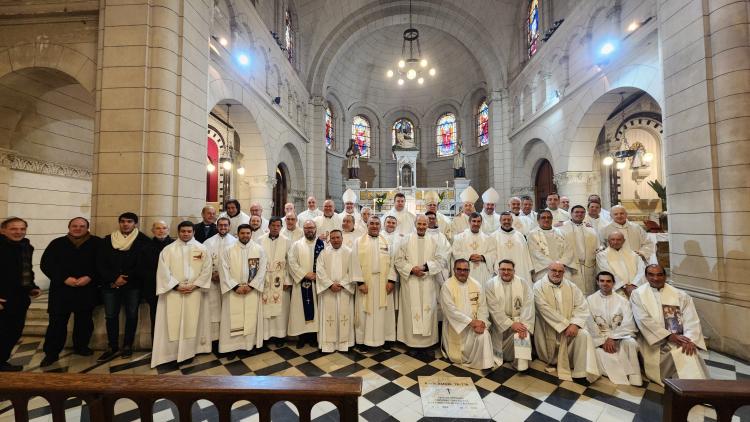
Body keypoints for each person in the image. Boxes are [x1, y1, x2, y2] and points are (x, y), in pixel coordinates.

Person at [631, 264, 709, 386]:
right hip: (653, 343)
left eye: (659, 274)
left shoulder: (680, 295)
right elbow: (643, 320)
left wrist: (690, 339)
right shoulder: (638, 295)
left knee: (688, 351)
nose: (655, 278)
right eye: (651, 275)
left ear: (665, 276)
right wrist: (668, 336)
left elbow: (691, 319)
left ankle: (695, 389)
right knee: (681, 356)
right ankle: (690, 388)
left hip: (680, 339)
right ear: (646, 276)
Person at [151, 221, 212, 367]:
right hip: (174, 293)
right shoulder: (168, 249)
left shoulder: (202, 249)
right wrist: (176, 286)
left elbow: (207, 269)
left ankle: (189, 352)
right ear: (178, 232)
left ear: (193, 232)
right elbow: (163, 271)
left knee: (192, 321)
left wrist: (195, 285)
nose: (186, 234)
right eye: (183, 231)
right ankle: (171, 353)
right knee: (172, 322)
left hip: (194, 292)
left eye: (189, 231)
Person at [40, 217, 100, 366]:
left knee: (84, 321)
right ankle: (51, 353)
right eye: (75, 226)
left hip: (86, 289)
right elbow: (46, 264)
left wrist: (90, 277)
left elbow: (103, 264)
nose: (78, 228)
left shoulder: (97, 243)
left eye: (82, 226)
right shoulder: (57, 243)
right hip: (61, 290)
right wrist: (64, 278)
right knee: (57, 323)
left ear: (87, 228)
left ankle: (81, 347)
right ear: (69, 227)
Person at [394, 215, 450, 358]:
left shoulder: (434, 240)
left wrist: (425, 268)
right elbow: (398, 260)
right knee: (410, 312)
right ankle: (411, 344)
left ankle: (427, 345)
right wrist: (412, 269)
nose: (421, 226)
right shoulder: (405, 240)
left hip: (427, 282)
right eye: (419, 223)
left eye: (424, 224)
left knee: (428, 311)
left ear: (428, 224)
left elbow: (441, 259)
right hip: (411, 281)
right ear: (415, 223)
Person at [533, 262, 599, 382]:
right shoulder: (538, 287)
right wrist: (565, 325)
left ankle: (581, 373)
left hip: (570, 330)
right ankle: (554, 360)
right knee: (551, 352)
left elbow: (581, 306)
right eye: (554, 270)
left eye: (560, 271)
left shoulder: (571, 286)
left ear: (564, 273)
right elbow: (544, 309)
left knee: (584, 335)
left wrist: (575, 324)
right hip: (548, 330)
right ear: (548, 270)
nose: (557, 274)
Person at [97, 212, 150, 361]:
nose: (125, 224)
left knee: (131, 315)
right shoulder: (108, 240)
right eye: (123, 221)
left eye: (129, 222)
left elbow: (142, 264)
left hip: (132, 285)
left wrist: (124, 278)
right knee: (111, 316)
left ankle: (127, 345)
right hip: (111, 284)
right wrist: (113, 278)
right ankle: (112, 346)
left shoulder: (143, 240)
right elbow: (100, 262)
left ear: (135, 224)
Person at [586, 271, 642, 386]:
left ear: (613, 283)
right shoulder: (590, 300)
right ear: (597, 282)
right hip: (599, 337)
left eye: (608, 281)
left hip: (619, 335)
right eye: (602, 281)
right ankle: (619, 373)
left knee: (631, 343)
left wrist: (613, 337)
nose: (605, 284)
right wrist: (602, 341)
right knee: (597, 350)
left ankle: (634, 377)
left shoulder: (623, 301)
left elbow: (628, 323)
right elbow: (589, 323)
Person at [218, 224, 267, 355]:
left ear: (251, 234)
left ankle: (248, 345)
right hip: (234, 291)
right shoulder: (228, 250)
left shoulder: (259, 249)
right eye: (243, 233)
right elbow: (223, 270)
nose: (245, 235)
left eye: (248, 233)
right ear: (237, 234)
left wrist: (251, 286)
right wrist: (234, 287)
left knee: (251, 318)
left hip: (252, 290)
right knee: (232, 318)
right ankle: (231, 348)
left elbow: (262, 270)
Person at [0, 218, 41, 371]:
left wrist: (31, 287)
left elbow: (25, 271)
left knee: (14, 332)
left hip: (19, 298)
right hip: (2, 298)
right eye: (13, 229)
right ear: (3, 230)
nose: (18, 232)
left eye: (22, 229)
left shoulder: (26, 246)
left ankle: (2, 362)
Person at [351, 216, 397, 353]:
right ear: (367, 225)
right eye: (372, 223)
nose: (374, 226)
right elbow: (354, 262)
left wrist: (391, 280)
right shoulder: (358, 242)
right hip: (366, 283)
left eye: (377, 224)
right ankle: (363, 342)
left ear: (380, 226)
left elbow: (394, 262)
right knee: (365, 312)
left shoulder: (387, 242)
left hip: (383, 283)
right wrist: (360, 282)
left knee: (384, 313)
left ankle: (386, 339)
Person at [440, 259, 494, 369]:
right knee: (456, 353)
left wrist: (482, 323)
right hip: (455, 328)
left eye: (465, 270)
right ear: (454, 270)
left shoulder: (476, 285)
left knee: (485, 334)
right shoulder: (447, 286)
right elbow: (450, 311)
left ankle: (486, 365)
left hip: (474, 327)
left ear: (469, 271)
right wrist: (471, 322)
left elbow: (482, 307)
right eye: (459, 269)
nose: (462, 272)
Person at [485, 260, 534, 371]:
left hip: (520, 321)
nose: (506, 272)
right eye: (503, 269)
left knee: (523, 334)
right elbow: (494, 309)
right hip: (499, 325)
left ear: (514, 271)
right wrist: (511, 324)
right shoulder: (490, 284)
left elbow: (528, 305)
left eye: (509, 270)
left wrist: (524, 325)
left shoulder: (523, 283)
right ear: (498, 270)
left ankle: (520, 365)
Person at [287, 220, 326, 348]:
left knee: (317, 310)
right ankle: (302, 338)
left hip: (318, 284)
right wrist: (304, 274)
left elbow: (327, 262)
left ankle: (314, 337)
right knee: (300, 311)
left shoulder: (323, 245)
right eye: (307, 228)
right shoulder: (296, 245)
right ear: (303, 229)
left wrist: (318, 275)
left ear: (316, 229)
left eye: (312, 227)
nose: (309, 230)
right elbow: (291, 262)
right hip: (302, 283)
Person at [316, 230, 355, 353]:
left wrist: (342, 284)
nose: (336, 240)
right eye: (333, 238)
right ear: (329, 239)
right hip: (328, 291)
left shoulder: (350, 253)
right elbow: (319, 270)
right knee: (329, 318)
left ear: (342, 238)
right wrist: (329, 285)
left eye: (338, 237)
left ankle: (344, 344)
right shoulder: (324, 253)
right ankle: (328, 345)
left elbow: (353, 271)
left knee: (344, 316)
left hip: (344, 291)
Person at [256, 217, 292, 346]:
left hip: (280, 280)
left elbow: (290, 262)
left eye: (278, 225)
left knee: (281, 309)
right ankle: (265, 335)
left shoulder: (287, 241)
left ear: (281, 227)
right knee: (265, 306)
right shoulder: (260, 240)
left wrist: (287, 280)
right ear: (269, 226)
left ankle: (280, 336)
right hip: (265, 279)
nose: (275, 228)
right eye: (273, 225)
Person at [138, 221, 174, 342]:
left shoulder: (175, 246)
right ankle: (157, 345)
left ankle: (172, 345)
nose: (161, 231)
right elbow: (142, 269)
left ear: (168, 230)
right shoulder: (145, 247)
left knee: (173, 317)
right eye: (158, 228)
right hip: (154, 288)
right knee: (156, 318)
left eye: (164, 228)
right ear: (153, 231)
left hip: (173, 288)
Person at [203, 217, 237, 346]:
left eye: (225, 225)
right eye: (220, 225)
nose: (223, 228)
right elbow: (204, 262)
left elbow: (236, 262)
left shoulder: (235, 242)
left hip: (229, 282)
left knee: (227, 309)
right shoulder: (208, 242)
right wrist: (211, 274)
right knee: (214, 310)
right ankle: (215, 339)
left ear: (229, 227)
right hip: (212, 282)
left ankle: (228, 337)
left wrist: (223, 275)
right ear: (217, 226)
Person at [559, 205, 599, 295]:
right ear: (571, 214)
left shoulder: (590, 228)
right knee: (573, 293)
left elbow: (597, 247)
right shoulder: (561, 228)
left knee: (589, 292)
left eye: (582, 212)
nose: (579, 214)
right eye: (576, 212)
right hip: (570, 267)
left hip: (588, 266)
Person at [527, 210, 575, 282]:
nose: (546, 219)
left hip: (562, 269)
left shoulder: (561, 233)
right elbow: (535, 253)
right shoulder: (532, 235)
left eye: (549, 217)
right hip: (543, 270)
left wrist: (560, 264)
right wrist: (554, 266)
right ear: (538, 220)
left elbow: (569, 251)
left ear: (552, 219)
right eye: (543, 218)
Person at [596, 231, 645, 297]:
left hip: (636, 289)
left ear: (624, 241)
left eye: (619, 240)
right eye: (613, 239)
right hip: (617, 290)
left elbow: (642, 270)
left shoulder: (633, 254)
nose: (615, 242)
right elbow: (607, 272)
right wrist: (624, 286)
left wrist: (634, 285)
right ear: (608, 241)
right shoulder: (602, 256)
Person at [451, 212, 496, 285]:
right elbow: (455, 252)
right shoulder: (459, 237)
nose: (476, 224)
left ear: (481, 223)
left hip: (482, 273)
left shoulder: (488, 239)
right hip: (465, 272)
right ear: (469, 222)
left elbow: (493, 254)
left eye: (478, 221)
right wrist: (469, 256)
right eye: (474, 221)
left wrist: (482, 257)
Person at [493, 212, 534, 285]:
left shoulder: (520, 236)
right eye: (504, 220)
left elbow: (526, 255)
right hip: (502, 272)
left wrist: (529, 269)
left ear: (512, 221)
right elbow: (492, 256)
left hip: (520, 270)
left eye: (509, 220)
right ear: (500, 221)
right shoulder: (494, 236)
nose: (506, 222)